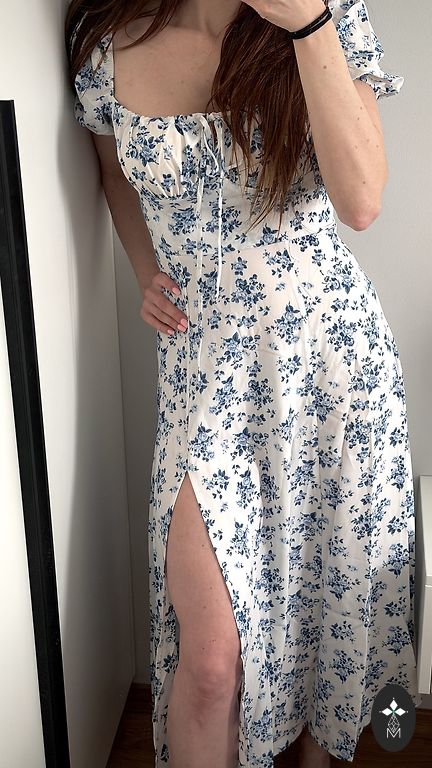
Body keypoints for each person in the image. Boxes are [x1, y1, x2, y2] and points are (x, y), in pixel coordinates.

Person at [65, 1, 422, 766]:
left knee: (329, 599)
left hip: (332, 368)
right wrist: (145, 268)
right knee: (210, 662)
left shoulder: (328, 13)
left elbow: (362, 201)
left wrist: (307, 24)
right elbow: (112, 166)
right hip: (204, 377)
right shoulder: (106, 36)